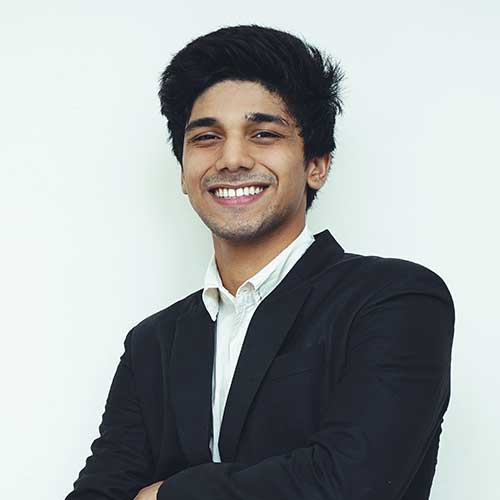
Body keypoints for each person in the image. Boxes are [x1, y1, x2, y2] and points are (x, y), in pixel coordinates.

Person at [65, 24, 455, 500]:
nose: (231, 159)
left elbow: (352, 484)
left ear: (317, 165)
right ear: (183, 173)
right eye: (206, 137)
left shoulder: (393, 300)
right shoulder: (152, 344)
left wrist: (165, 494)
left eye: (264, 133)